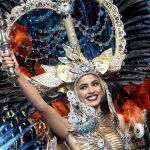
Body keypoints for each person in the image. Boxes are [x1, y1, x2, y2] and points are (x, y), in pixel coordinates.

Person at [0, 50, 129, 150]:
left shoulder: (118, 120)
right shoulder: (69, 127)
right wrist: (17, 75)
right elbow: (41, 107)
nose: (91, 90)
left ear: (102, 87)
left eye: (95, 84)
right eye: (83, 87)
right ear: (75, 94)